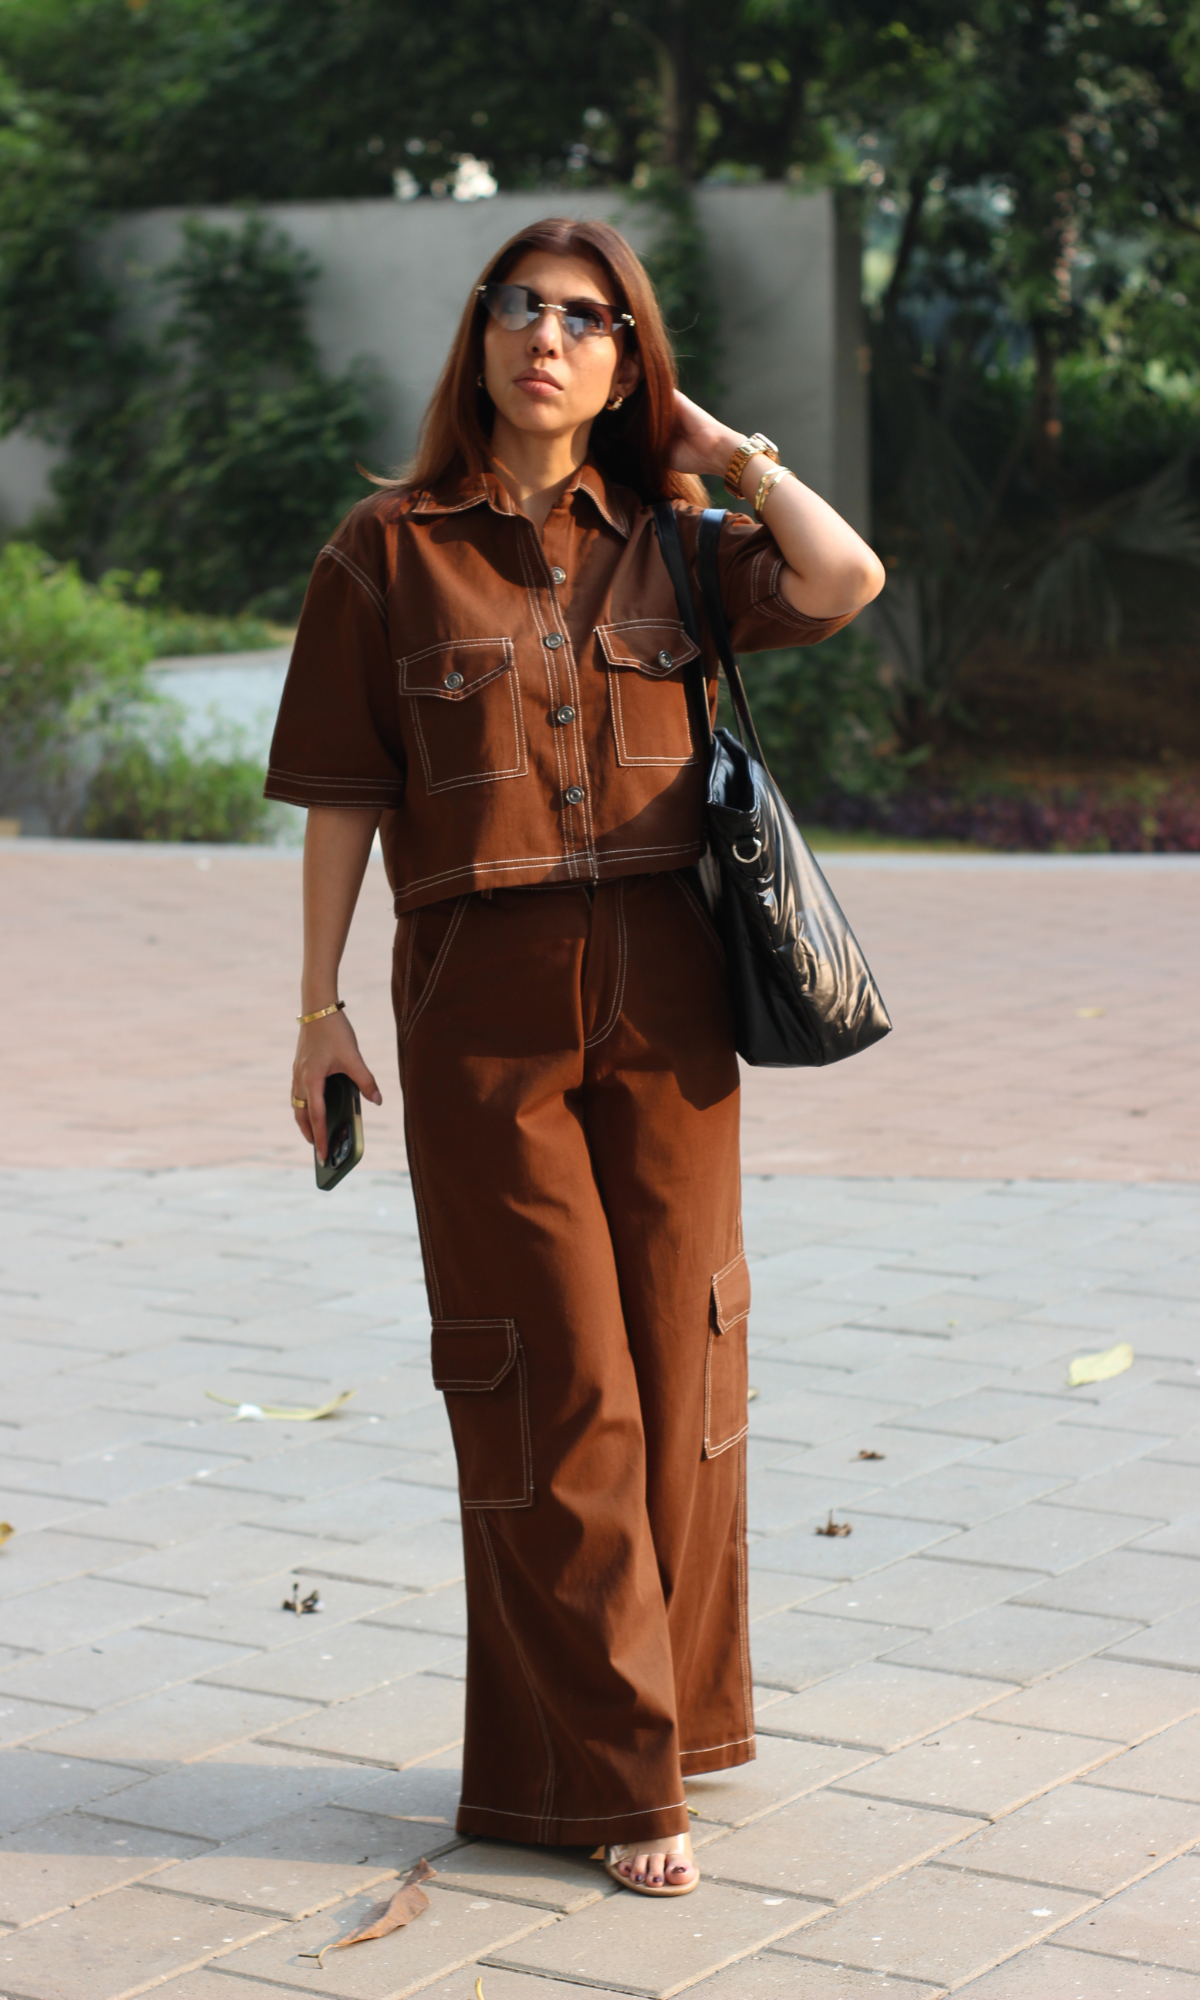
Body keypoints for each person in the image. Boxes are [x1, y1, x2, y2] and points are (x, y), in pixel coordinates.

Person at [267, 216, 883, 1899]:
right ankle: (616, 1773)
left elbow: (842, 578)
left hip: (672, 994)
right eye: (523, 308)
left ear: (625, 361)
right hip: (479, 1001)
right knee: (552, 1375)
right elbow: (344, 792)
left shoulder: (679, 542)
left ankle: (675, 1721)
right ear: (477, 340)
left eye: (590, 319)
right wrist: (316, 1005)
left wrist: (725, 449)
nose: (550, 335)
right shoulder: (383, 555)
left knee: (685, 1367)